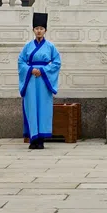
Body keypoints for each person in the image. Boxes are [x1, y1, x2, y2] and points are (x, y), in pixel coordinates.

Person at [18, 13, 60, 149]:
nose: (39, 31)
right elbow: (21, 61)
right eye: (37, 28)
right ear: (33, 30)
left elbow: (57, 63)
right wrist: (31, 70)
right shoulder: (28, 46)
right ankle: (33, 138)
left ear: (45, 30)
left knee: (43, 107)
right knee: (31, 107)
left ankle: (41, 139)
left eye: (41, 28)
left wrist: (42, 70)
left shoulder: (51, 47)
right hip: (30, 80)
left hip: (43, 81)